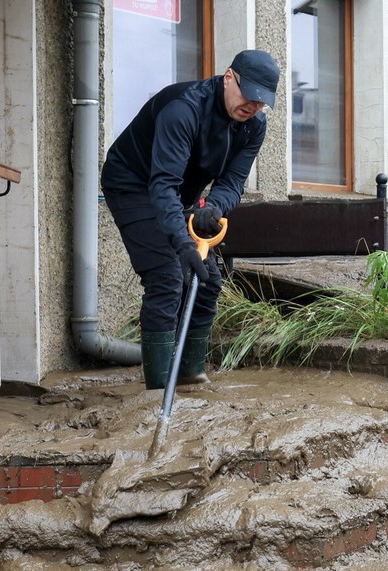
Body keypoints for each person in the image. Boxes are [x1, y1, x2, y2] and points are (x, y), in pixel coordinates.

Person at [101, 50, 279, 389]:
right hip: (132, 184)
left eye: (261, 102)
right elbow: (163, 183)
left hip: (178, 194)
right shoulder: (183, 110)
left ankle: (190, 372)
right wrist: (180, 240)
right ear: (229, 77)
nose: (253, 106)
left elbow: (232, 183)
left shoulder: (253, 127)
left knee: (208, 279)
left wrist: (212, 209)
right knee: (167, 274)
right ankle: (158, 387)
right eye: (249, 95)